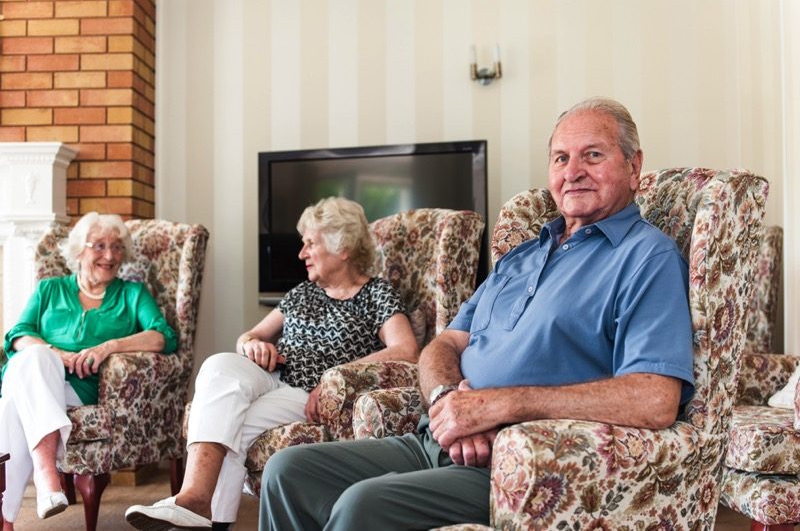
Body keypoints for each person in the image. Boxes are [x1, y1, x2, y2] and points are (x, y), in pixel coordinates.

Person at [258, 97, 696, 530]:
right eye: (561, 158)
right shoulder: (523, 256)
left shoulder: (646, 257)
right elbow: (445, 344)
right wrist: (447, 401)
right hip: (437, 439)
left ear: (634, 167)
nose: (573, 171)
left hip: (519, 466)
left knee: (363, 506)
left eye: (593, 155)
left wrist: (500, 407)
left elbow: (655, 399)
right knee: (288, 471)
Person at [125, 197, 419, 530]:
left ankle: (201, 510)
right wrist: (252, 345)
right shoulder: (303, 292)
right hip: (271, 374)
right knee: (218, 365)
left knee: (233, 423)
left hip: (307, 392)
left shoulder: (377, 293)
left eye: (310, 244)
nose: (302, 253)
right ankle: (193, 498)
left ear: (343, 248)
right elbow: (249, 335)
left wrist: (335, 376)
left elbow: (406, 349)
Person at [0, 212, 178, 530]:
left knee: (13, 403)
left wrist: (109, 347)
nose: (110, 255)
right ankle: (42, 481)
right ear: (79, 250)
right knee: (34, 360)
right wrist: (55, 354)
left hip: (78, 389)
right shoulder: (49, 289)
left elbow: (163, 337)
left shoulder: (131, 294)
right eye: (99, 246)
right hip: (36, 375)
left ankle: (18, 506)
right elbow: (17, 335)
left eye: (117, 247)